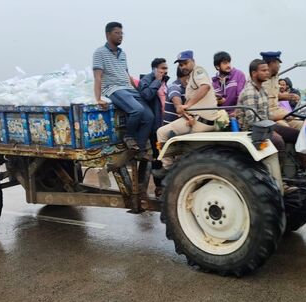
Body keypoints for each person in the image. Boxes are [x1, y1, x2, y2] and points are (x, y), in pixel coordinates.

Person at [92, 21, 153, 155]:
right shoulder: (99, 52)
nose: (120, 36)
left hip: (128, 88)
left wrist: (137, 90)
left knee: (149, 117)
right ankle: (128, 136)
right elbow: (98, 77)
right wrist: (98, 98)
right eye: (117, 33)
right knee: (137, 109)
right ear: (108, 34)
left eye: (122, 33)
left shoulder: (122, 54)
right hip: (113, 88)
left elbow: (126, 74)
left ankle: (140, 150)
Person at [237, 59, 306, 174]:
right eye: (263, 70)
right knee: (278, 141)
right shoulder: (250, 92)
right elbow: (252, 121)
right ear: (254, 73)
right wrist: (272, 129)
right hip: (253, 130)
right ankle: (278, 177)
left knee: (297, 134)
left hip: (265, 125)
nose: (267, 72)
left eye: (267, 70)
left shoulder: (263, 90)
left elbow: (266, 115)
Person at [154, 50, 218, 177]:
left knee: (161, 132)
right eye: (180, 64)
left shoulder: (198, 71)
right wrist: (187, 111)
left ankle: (168, 168)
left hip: (199, 122)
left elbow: (205, 87)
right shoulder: (190, 79)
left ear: (193, 61)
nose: (183, 66)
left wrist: (186, 106)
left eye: (185, 63)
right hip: (197, 119)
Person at [138, 58, 170, 192]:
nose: (165, 71)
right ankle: (158, 187)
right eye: (162, 68)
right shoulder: (147, 80)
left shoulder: (165, 82)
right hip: (154, 126)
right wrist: (156, 81)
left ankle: (163, 184)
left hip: (165, 124)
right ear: (154, 69)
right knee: (157, 155)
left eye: (166, 68)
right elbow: (146, 95)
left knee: (165, 154)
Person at [261, 51, 303, 130]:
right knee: (288, 128)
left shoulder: (275, 77)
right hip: (267, 114)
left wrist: (289, 96)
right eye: (278, 63)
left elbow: (274, 95)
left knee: (303, 124)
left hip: (277, 112)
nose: (279, 66)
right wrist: (288, 114)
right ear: (271, 63)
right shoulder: (260, 80)